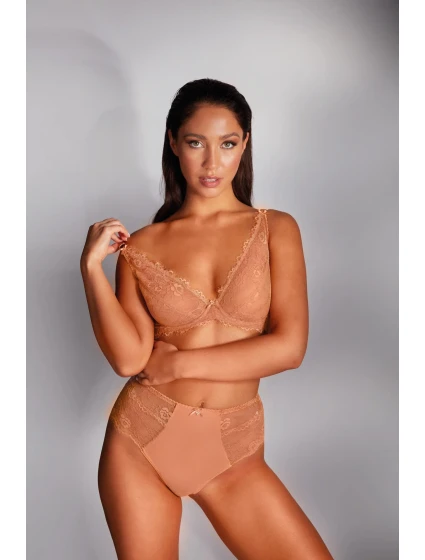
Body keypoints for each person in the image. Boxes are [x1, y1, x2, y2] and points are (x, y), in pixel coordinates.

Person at [80, 78, 334, 559]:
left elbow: (289, 348)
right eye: (196, 143)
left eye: (227, 144)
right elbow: (129, 359)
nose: (212, 162)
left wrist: (178, 364)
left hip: (233, 456)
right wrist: (91, 269)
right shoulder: (142, 245)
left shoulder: (275, 229)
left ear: (245, 144)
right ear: (174, 143)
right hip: (140, 443)